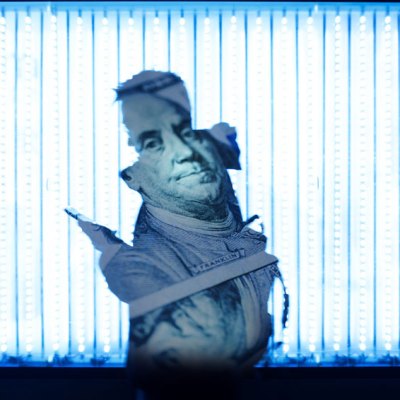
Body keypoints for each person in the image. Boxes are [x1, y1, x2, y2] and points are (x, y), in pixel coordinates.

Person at [72, 71, 287, 400]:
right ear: (133, 177)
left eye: (185, 132)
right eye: (153, 143)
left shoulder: (213, 163)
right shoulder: (148, 265)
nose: (186, 152)